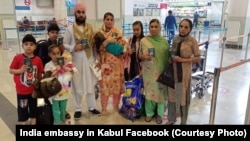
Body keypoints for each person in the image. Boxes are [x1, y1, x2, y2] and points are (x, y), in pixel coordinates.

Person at [63, 3, 100, 119]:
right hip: (76, 61)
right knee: (77, 84)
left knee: (91, 84)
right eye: (78, 12)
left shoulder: (90, 28)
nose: (81, 14)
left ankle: (92, 107)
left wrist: (96, 59)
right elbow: (64, 44)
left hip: (90, 60)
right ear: (75, 13)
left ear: (85, 14)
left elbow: (93, 45)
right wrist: (74, 48)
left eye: (83, 12)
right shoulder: (69, 29)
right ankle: (78, 109)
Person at [166, 19, 201, 125]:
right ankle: (172, 118)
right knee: (172, 95)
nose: (183, 29)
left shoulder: (192, 41)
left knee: (183, 95)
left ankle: (183, 121)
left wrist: (183, 60)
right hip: (173, 71)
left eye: (186, 27)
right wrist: (171, 59)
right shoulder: (175, 39)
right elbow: (172, 53)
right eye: (181, 26)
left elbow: (198, 57)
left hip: (184, 73)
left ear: (190, 29)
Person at [95, 12, 130, 116]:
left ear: (113, 21)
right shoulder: (98, 33)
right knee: (104, 86)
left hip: (117, 64)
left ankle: (115, 106)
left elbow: (124, 46)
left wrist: (123, 51)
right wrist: (107, 42)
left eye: (111, 19)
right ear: (104, 20)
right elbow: (96, 49)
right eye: (107, 19)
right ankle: (104, 108)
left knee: (117, 86)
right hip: (105, 64)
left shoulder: (117, 32)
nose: (109, 21)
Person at [34, 23, 71, 119]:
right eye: (52, 32)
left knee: (57, 90)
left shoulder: (59, 45)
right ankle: (41, 111)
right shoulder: (43, 45)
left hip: (57, 73)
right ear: (48, 33)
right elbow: (39, 60)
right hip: (45, 71)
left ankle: (61, 110)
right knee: (42, 92)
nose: (55, 34)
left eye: (56, 32)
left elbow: (61, 59)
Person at [138, 19, 169, 124]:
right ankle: (149, 113)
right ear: (149, 28)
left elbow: (167, 57)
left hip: (161, 71)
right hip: (148, 71)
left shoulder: (164, 41)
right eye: (151, 26)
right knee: (150, 92)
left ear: (160, 28)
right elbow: (139, 56)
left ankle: (160, 114)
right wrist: (143, 57)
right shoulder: (144, 40)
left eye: (156, 26)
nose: (153, 28)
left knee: (160, 92)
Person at [9, 34, 44, 125]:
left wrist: (39, 86)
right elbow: (11, 70)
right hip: (21, 91)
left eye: (31, 44)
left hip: (34, 91)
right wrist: (20, 70)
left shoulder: (38, 60)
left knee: (34, 110)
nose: (29, 46)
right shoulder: (18, 58)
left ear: (35, 46)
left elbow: (40, 73)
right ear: (22, 46)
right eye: (26, 44)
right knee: (22, 110)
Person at [44, 45, 75, 125]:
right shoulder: (48, 65)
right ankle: (57, 121)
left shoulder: (65, 62)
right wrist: (56, 70)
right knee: (55, 108)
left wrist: (65, 67)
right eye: (53, 54)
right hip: (54, 91)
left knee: (63, 107)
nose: (56, 55)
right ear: (49, 54)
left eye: (58, 53)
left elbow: (73, 71)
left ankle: (63, 118)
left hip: (64, 90)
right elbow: (47, 77)